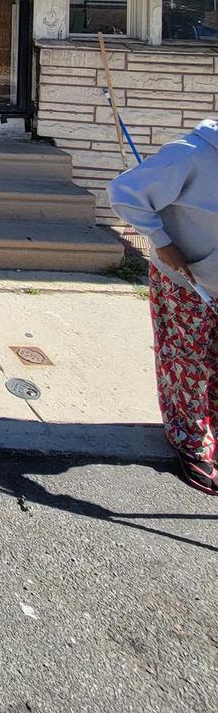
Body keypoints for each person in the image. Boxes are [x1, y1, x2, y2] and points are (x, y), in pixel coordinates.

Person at [109, 120, 218, 496]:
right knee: (187, 360)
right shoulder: (191, 154)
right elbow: (125, 192)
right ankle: (190, 440)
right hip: (188, 279)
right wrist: (162, 240)